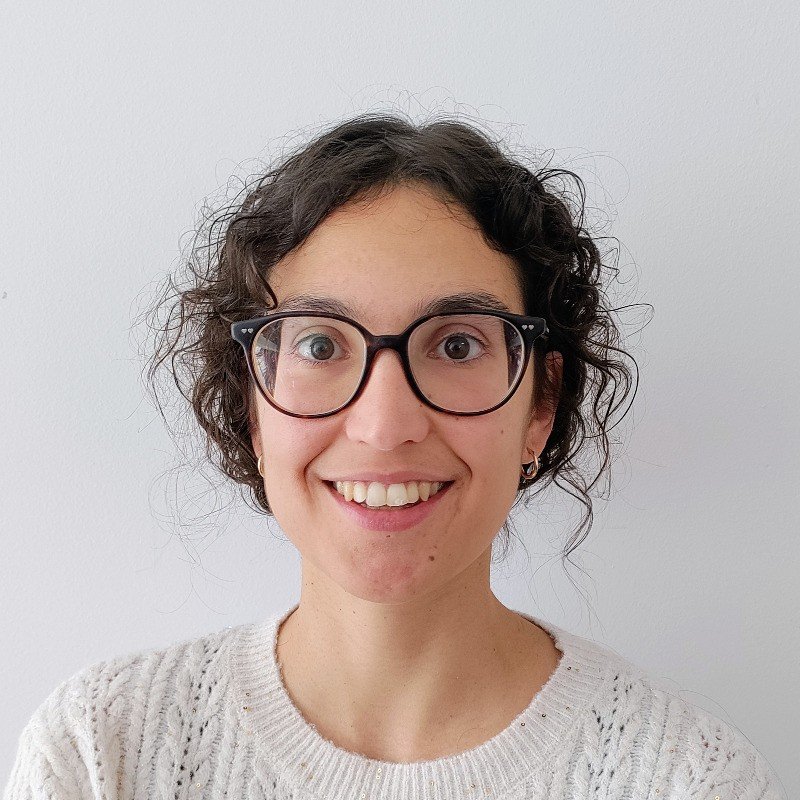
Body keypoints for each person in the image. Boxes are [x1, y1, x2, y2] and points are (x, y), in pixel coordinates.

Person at [3, 114, 785, 800]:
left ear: (541, 405)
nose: (385, 425)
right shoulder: (101, 751)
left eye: (457, 345)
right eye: (320, 345)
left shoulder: (687, 779)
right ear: (251, 404)